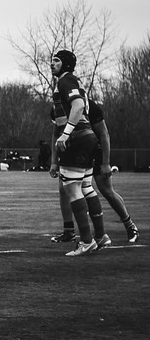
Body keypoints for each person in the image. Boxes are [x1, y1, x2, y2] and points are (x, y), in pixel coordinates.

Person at [49, 98, 140, 245]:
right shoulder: (58, 106)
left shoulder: (89, 106)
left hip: (94, 148)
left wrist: (106, 162)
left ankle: (130, 226)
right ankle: (69, 231)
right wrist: (53, 161)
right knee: (64, 187)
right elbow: (56, 133)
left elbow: (104, 134)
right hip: (74, 150)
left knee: (106, 189)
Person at [47, 50, 100, 257]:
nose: (52, 63)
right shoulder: (73, 81)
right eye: (52, 60)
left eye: (57, 60)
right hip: (87, 135)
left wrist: (66, 133)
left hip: (77, 136)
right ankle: (101, 236)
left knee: (72, 187)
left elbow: (78, 105)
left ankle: (86, 241)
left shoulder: (65, 81)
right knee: (86, 186)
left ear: (66, 64)